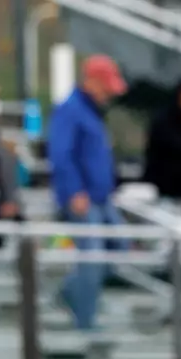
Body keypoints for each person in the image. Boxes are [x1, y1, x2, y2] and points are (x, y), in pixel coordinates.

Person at [49, 54, 126, 331]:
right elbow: (60, 154)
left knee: (120, 247)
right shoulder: (70, 109)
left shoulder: (92, 111)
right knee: (92, 257)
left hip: (101, 198)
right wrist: (73, 191)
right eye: (106, 86)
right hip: (82, 198)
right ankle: (84, 322)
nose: (108, 94)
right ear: (92, 81)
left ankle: (69, 291)